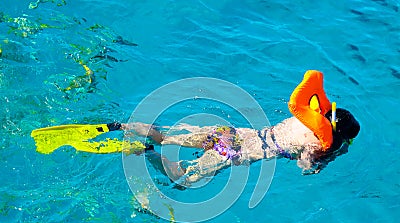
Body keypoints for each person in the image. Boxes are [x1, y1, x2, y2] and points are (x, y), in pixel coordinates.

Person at [122, 70, 360, 184]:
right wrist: (323, 160)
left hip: (232, 133)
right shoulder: (320, 141)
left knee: (163, 136)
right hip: (236, 152)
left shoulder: (307, 116)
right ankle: (145, 152)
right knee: (183, 179)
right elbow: (304, 166)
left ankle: (123, 126)